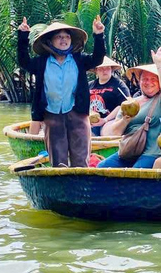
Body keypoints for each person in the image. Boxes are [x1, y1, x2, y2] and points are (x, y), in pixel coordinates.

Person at [17, 16, 105, 167]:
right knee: (58, 160)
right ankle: (61, 186)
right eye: (59, 37)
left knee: (80, 158)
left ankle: (80, 185)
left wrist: (98, 35)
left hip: (77, 112)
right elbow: (24, 61)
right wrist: (23, 36)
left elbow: (98, 58)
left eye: (66, 37)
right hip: (52, 113)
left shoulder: (79, 59)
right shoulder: (42, 62)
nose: (63, 40)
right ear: (50, 41)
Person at [98, 48, 161, 169]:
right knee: (102, 167)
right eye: (145, 79)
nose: (149, 82)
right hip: (129, 152)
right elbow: (115, 132)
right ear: (139, 81)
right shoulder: (129, 103)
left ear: (160, 82)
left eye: (153, 79)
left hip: (154, 153)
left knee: (136, 172)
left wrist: (160, 65)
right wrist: (125, 120)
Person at [89, 56, 129, 136]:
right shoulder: (90, 85)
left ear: (111, 69)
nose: (104, 71)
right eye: (101, 68)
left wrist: (105, 120)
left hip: (111, 120)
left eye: (107, 68)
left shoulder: (119, 85)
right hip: (92, 120)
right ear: (96, 70)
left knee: (106, 133)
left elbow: (123, 104)